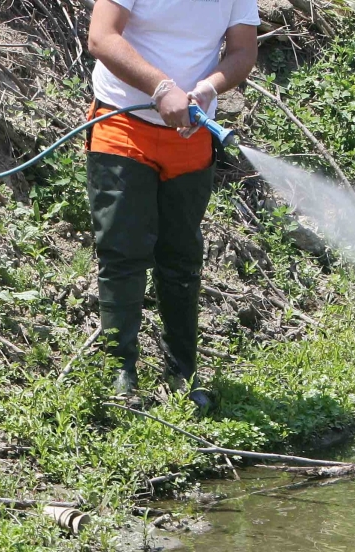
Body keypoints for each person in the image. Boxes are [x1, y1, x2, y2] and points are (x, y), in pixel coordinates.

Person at [85, 0, 259, 409]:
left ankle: (183, 372)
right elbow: (102, 36)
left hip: (190, 133)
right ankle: (119, 372)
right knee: (122, 248)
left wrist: (207, 87)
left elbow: (243, 52)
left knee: (181, 255)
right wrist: (161, 87)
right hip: (122, 121)